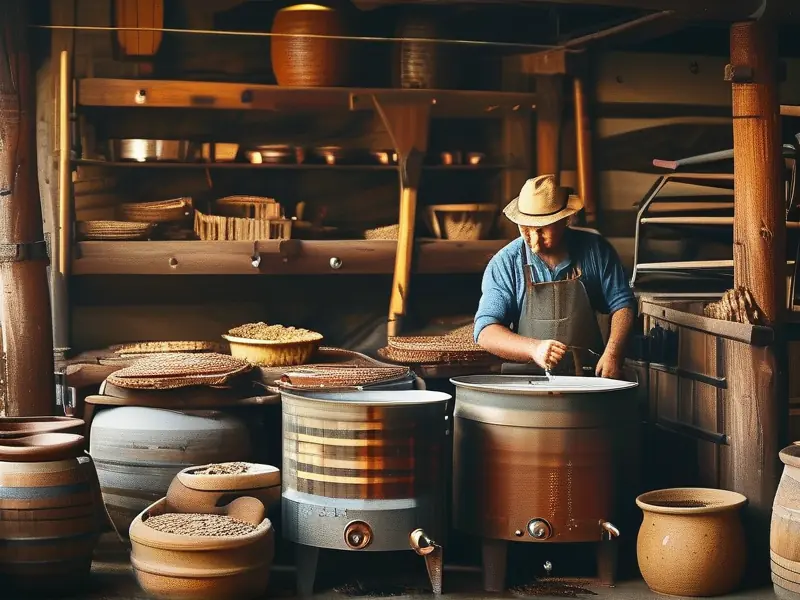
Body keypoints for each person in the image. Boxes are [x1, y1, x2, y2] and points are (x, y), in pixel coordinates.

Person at [474, 174, 636, 378]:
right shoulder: (505, 262)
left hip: (588, 379)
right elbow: (485, 331)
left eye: (542, 230)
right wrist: (534, 349)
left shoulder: (596, 251)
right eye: (525, 229)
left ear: (564, 220)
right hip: (529, 381)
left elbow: (623, 304)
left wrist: (613, 354)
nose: (534, 241)